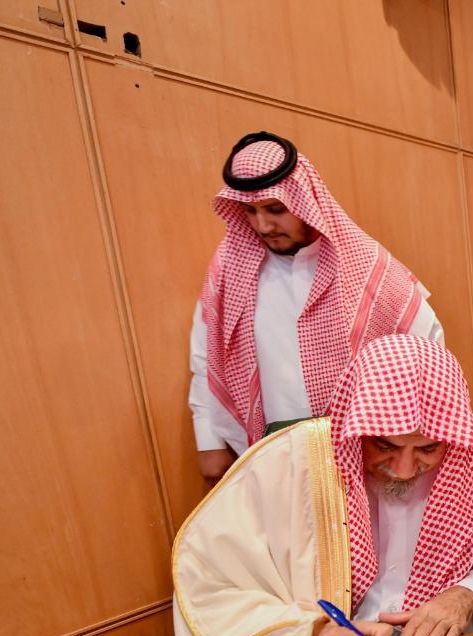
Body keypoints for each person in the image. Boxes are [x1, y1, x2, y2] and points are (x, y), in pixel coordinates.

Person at [174, 335, 473, 636]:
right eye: (385, 446)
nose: (404, 469)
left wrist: (465, 594)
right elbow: (210, 581)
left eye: (427, 449)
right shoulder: (290, 464)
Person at [190, 131, 444, 482]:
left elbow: (430, 357)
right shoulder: (231, 269)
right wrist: (208, 439)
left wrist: (411, 447)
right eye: (250, 211)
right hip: (274, 455)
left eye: (276, 210)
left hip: (365, 456)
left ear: (304, 200)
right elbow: (207, 356)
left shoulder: (367, 267)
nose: (263, 225)